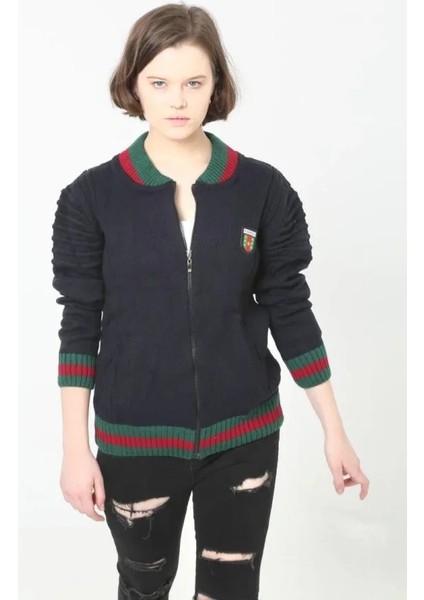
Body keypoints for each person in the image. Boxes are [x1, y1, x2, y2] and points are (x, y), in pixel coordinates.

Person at [51, 3, 370, 599]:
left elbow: (290, 308)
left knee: (231, 588)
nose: (178, 100)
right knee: (143, 586)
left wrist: (335, 431)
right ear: (134, 84)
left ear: (216, 85)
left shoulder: (262, 189)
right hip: (134, 439)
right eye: (160, 82)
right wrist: (75, 450)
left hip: (245, 435)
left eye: (194, 83)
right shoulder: (91, 198)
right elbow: (79, 323)